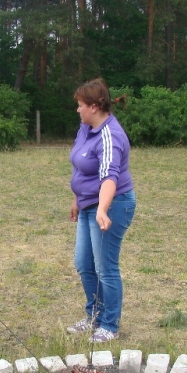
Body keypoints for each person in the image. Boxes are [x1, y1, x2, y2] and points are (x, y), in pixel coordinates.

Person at [66, 78, 136, 343]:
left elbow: (110, 176)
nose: (78, 110)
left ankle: (109, 325)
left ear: (95, 106)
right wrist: (77, 198)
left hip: (113, 204)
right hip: (87, 204)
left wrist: (103, 209)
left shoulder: (110, 135)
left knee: (105, 266)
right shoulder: (86, 127)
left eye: (81, 105)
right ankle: (94, 314)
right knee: (84, 263)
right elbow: (79, 165)